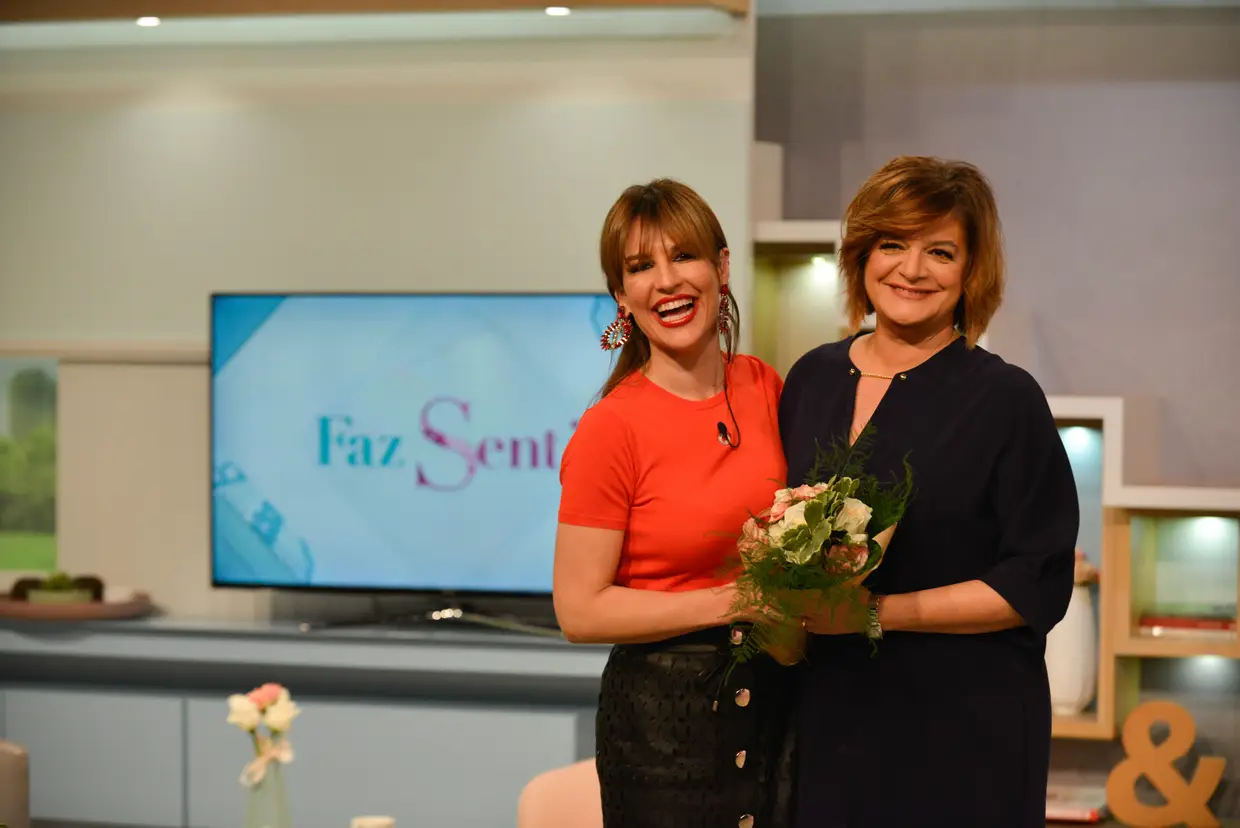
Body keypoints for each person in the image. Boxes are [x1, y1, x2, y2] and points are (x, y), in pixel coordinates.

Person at [780, 156, 1079, 828]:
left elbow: (1034, 581)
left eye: (940, 252)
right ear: (862, 255)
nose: (912, 270)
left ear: (971, 272)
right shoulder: (810, 378)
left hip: (964, 732)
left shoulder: (1005, 399)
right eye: (893, 244)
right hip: (830, 718)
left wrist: (875, 614)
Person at [553, 178, 798, 828]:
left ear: (722, 267)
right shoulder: (611, 428)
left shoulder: (764, 385)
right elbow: (578, 609)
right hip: (665, 724)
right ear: (621, 296)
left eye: (683, 255)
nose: (666, 281)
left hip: (778, 703)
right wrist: (732, 601)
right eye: (640, 267)